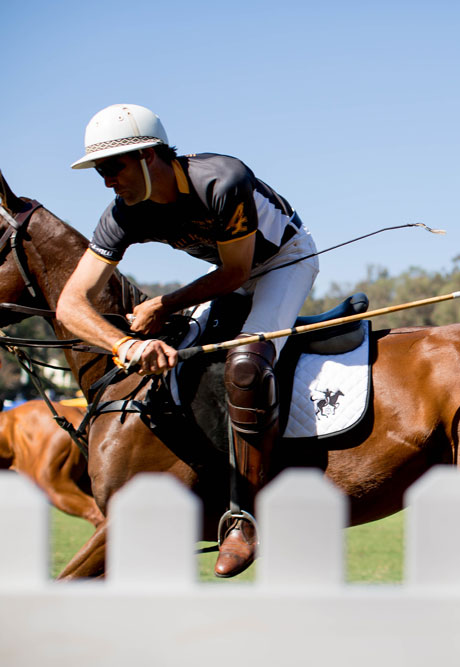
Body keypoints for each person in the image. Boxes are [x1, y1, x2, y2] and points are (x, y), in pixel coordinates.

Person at [56, 104, 320, 576]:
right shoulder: (123, 215)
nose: (106, 181)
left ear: (149, 156)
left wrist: (165, 303)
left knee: (245, 365)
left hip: (283, 263)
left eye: (112, 167)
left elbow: (240, 271)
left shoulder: (222, 180)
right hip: (227, 275)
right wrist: (127, 345)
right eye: (99, 171)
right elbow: (71, 304)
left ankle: (243, 518)